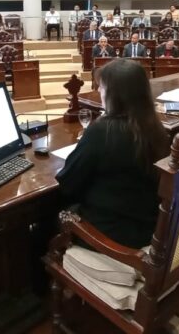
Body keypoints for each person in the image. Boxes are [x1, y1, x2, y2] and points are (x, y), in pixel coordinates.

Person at [56, 59, 169, 248]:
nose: (99, 91)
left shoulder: (102, 131)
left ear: (115, 94)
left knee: (46, 218)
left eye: (101, 87)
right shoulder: (156, 127)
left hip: (111, 236)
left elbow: (68, 183)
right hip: (147, 226)